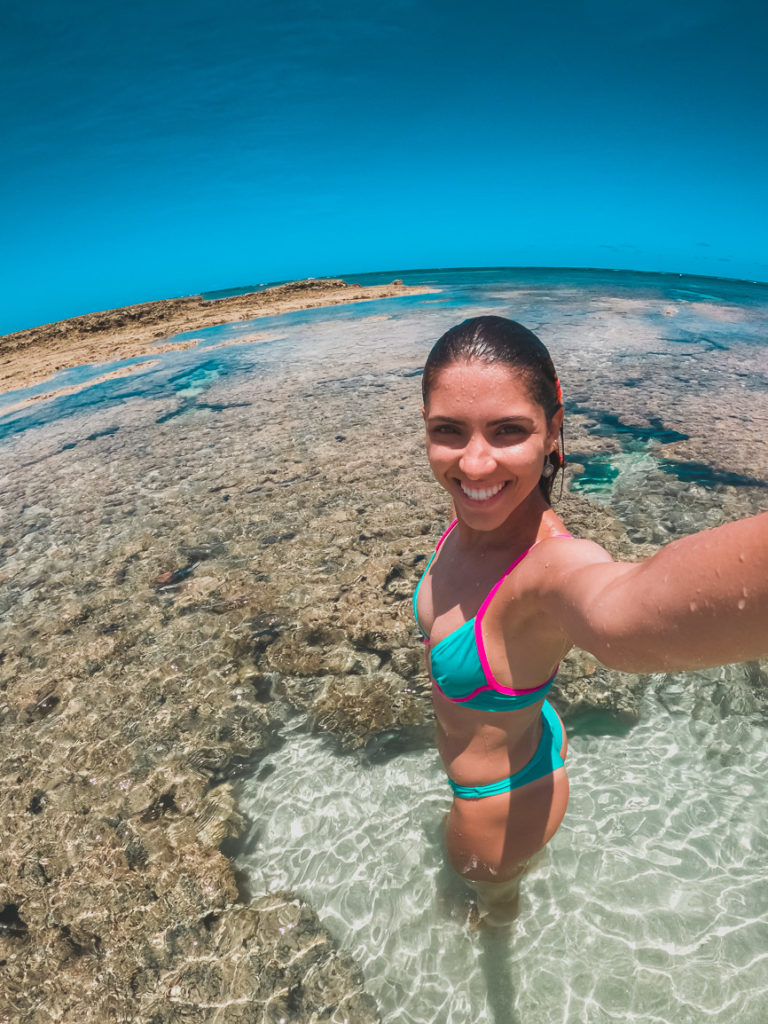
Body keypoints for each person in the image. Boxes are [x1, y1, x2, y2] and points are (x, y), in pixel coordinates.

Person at [413, 315, 768, 922]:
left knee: (487, 916)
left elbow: (621, 609)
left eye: (507, 431)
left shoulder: (551, 571)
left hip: (496, 810)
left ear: (554, 430)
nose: (473, 466)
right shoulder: (476, 521)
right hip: (525, 741)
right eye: (449, 431)